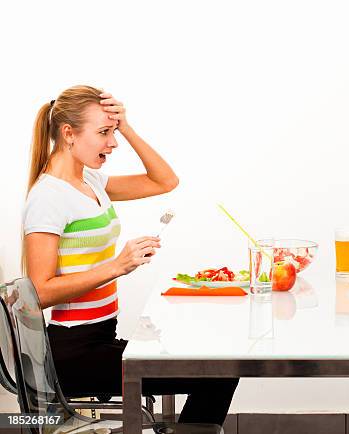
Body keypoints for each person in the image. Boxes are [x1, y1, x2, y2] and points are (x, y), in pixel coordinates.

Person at [23, 85, 238, 425]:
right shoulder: (48, 197)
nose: (113, 143)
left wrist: (128, 127)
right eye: (104, 133)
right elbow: (39, 293)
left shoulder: (89, 181)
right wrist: (118, 266)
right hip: (72, 354)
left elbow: (165, 181)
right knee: (218, 374)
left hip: (101, 339)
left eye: (113, 131)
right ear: (68, 134)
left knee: (219, 367)